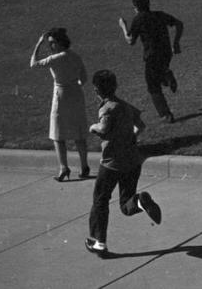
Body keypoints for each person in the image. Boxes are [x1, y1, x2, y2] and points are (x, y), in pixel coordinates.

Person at [85, 69, 161, 258]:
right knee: (126, 205)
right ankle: (139, 201)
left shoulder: (107, 108)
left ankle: (98, 242)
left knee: (100, 200)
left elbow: (103, 129)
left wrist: (93, 128)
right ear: (115, 86)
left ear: (96, 90)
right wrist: (129, 137)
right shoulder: (126, 106)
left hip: (112, 163)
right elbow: (140, 126)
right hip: (133, 160)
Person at [29, 27, 90, 181]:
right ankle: (84, 166)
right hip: (76, 94)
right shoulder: (75, 56)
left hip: (61, 95)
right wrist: (74, 84)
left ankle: (63, 167)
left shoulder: (55, 59)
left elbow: (33, 64)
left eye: (53, 43)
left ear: (60, 42)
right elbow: (83, 78)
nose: (51, 46)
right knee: (79, 132)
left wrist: (38, 44)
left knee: (57, 133)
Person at [118, 0, 183, 122]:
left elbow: (131, 41)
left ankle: (165, 114)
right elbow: (179, 24)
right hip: (166, 53)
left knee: (153, 86)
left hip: (152, 55)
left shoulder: (139, 19)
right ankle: (166, 75)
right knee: (158, 74)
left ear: (136, 7)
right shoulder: (159, 15)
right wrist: (176, 42)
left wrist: (123, 27)